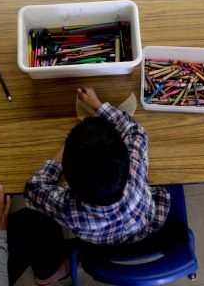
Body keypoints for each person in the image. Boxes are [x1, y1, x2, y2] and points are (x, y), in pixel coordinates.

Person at [24, 87, 170, 246]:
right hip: (147, 225)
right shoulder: (135, 170)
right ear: (126, 158)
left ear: (67, 177)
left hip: (104, 243)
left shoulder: (69, 210)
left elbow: (33, 190)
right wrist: (98, 105)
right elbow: (136, 131)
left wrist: (68, 145)